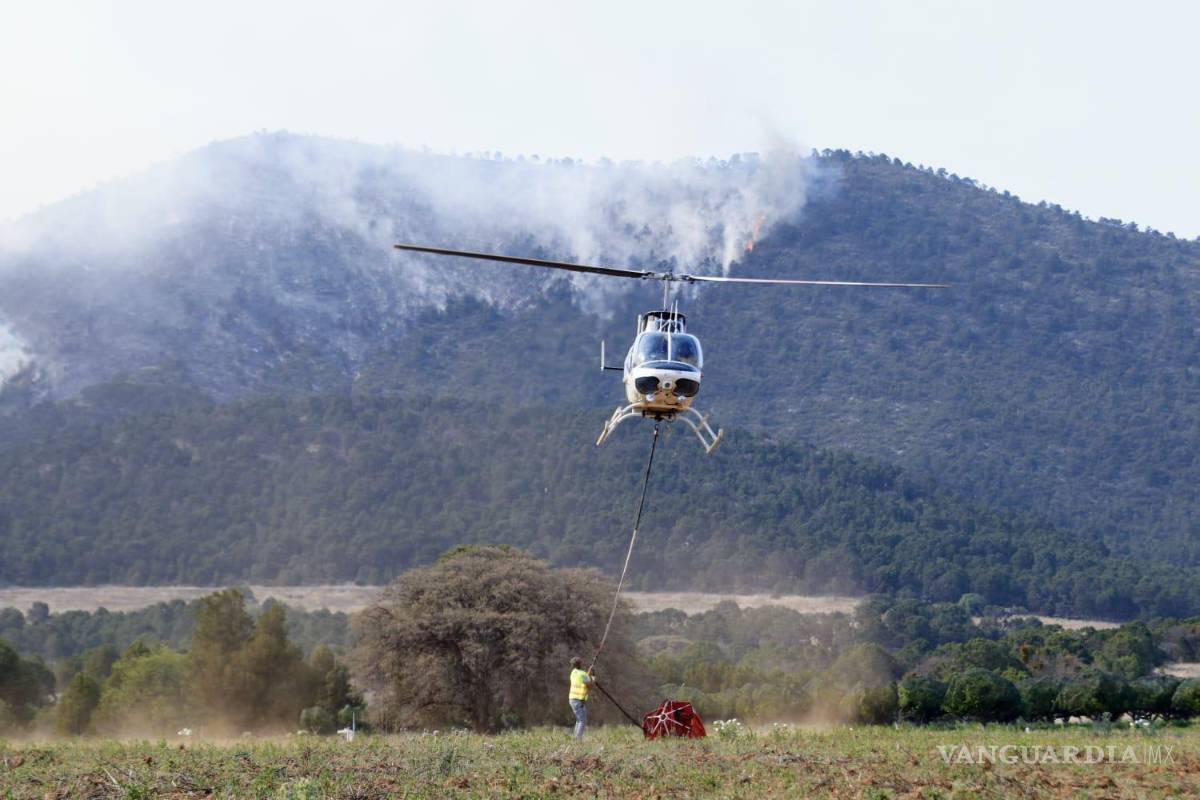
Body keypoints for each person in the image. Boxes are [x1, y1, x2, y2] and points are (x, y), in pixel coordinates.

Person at [568, 656, 594, 740]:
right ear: (580, 664)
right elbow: (590, 685)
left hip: (572, 699)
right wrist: (593, 676)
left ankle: (575, 738)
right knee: (582, 720)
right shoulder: (582, 674)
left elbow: (583, 678)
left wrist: (588, 674)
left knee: (579, 720)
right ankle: (577, 739)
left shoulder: (573, 673)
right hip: (578, 700)